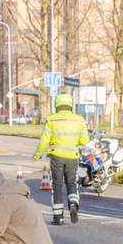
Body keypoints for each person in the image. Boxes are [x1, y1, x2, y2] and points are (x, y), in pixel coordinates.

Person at [33, 92, 89, 225]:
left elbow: (44, 140)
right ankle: (73, 204)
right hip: (72, 158)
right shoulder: (79, 119)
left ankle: (58, 218)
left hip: (57, 158)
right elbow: (85, 140)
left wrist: (37, 155)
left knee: (57, 186)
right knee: (72, 184)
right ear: (70, 104)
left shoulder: (52, 119)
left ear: (57, 104)